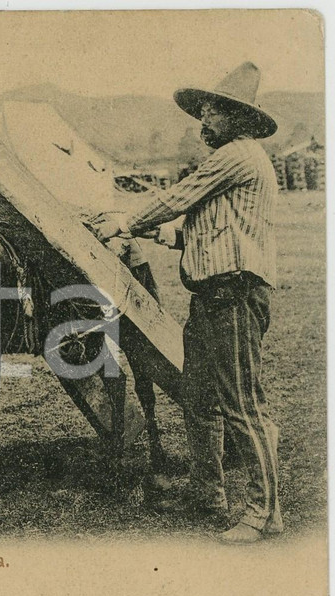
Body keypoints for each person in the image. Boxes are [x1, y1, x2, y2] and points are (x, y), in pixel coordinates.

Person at [86, 62, 282, 544]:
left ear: (238, 118)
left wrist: (123, 223)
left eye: (213, 111)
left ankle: (264, 513)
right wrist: (155, 231)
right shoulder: (232, 165)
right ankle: (207, 495)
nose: (203, 119)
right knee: (200, 401)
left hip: (235, 296)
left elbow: (177, 198)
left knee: (243, 405)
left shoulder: (238, 155)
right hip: (211, 299)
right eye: (204, 110)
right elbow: (197, 229)